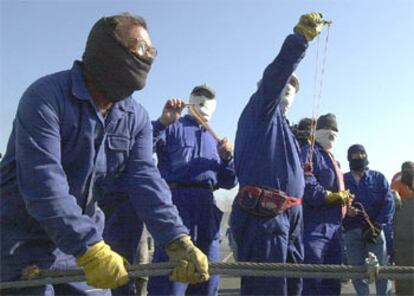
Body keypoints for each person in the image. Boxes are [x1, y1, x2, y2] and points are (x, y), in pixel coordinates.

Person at [0, 14, 209, 295]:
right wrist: (90, 247)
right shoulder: (45, 98)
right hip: (22, 243)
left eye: (151, 52)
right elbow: (43, 183)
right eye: (139, 48)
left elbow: (146, 181)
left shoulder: (135, 117)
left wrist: (177, 239)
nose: (147, 59)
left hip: (82, 245)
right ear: (105, 48)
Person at [229, 12, 325, 296]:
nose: (288, 92)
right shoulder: (261, 110)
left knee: (293, 287)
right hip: (266, 218)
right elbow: (275, 75)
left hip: (293, 218)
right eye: (286, 86)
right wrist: (299, 40)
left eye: (293, 90)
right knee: (267, 289)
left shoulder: (285, 129)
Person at [148, 86, 237, 295]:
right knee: (169, 280)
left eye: (209, 99)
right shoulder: (173, 126)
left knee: (208, 278)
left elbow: (229, 182)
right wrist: (162, 122)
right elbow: (143, 146)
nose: (203, 102)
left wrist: (227, 160)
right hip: (176, 205)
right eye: (200, 97)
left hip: (207, 208)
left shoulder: (215, 140)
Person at [300, 113, 352, 296]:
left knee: (333, 278)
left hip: (336, 227)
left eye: (335, 130)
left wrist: (345, 203)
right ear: (317, 132)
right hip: (315, 225)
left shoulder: (335, 161)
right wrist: (331, 197)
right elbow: (308, 184)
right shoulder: (309, 152)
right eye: (327, 129)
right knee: (312, 276)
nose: (332, 133)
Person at [343, 144, 394, 296]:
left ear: (366, 155)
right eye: (354, 154)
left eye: (361, 154)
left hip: (374, 230)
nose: (359, 157)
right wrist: (346, 211)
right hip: (352, 230)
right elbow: (337, 203)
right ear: (349, 158)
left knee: (381, 269)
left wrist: (378, 224)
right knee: (356, 271)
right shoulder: (342, 179)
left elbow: (388, 202)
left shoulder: (378, 178)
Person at [391, 161, 414, 296]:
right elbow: (392, 194)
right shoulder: (397, 179)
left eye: (410, 169)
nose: (408, 172)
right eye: (405, 169)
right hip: (402, 228)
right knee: (402, 262)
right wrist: (395, 195)